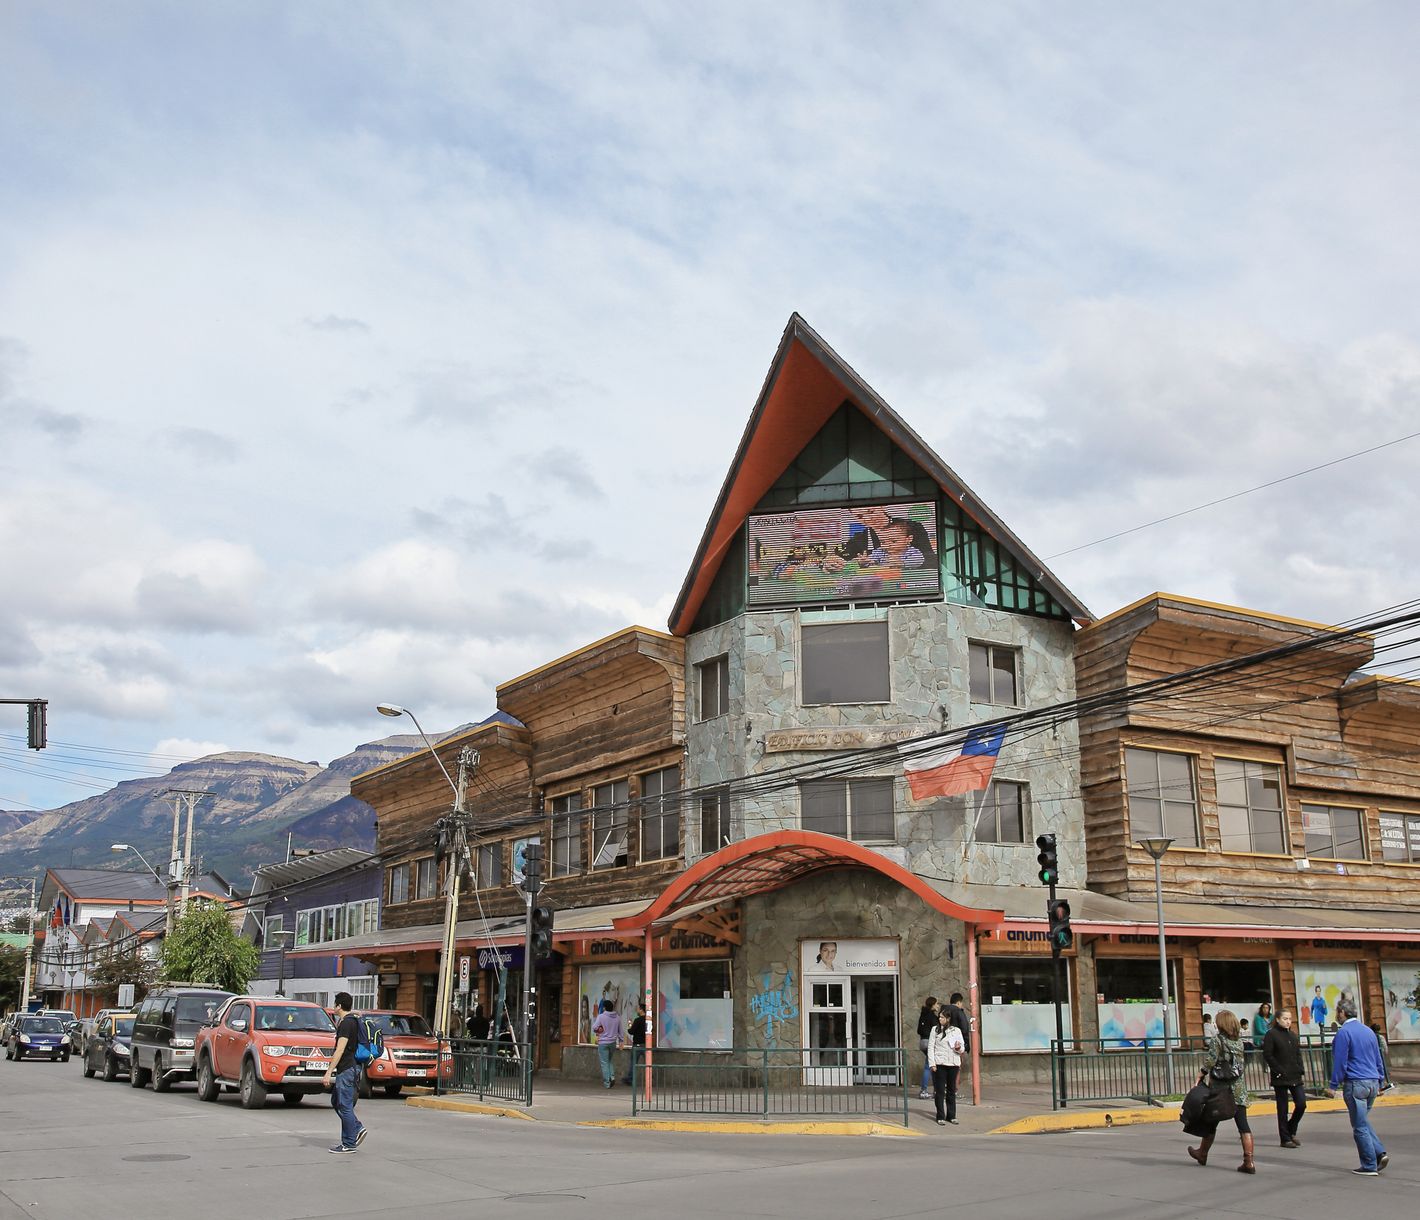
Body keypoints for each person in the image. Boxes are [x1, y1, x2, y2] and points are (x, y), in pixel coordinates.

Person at [1327, 997, 1388, 1175]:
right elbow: (1378, 1058)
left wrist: (1333, 1085)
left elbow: (1340, 1061)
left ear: (1342, 1013)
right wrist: (1381, 1081)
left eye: (1337, 1012)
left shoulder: (1344, 1033)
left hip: (1356, 1083)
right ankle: (1379, 1153)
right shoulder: (1368, 1031)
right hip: (1372, 1082)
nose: (1337, 1015)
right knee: (1362, 1120)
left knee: (1359, 1126)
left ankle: (1369, 1165)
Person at [1188, 1008, 1254, 1173]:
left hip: (1220, 1089)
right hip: (1238, 1089)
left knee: (1211, 1120)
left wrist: (1201, 1073)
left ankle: (1202, 1153)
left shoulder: (1217, 1040)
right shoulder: (1239, 1042)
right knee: (1243, 1125)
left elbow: (1211, 1060)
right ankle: (1249, 1161)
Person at [322, 991, 367, 1155]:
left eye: (335, 1004)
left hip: (347, 1068)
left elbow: (340, 1050)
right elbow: (356, 1013)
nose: (333, 1007)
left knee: (345, 1106)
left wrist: (328, 1072)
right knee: (336, 1101)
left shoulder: (346, 1024)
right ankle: (356, 1127)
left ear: (339, 1006)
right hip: (352, 1067)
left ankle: (349, 1143)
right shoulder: (352, 1019)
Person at [1262, 1008, 1306, 1148]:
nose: (1288, 1021)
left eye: (1289, 1019)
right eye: (1285, 1019)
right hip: (1280, 1077)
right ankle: (1285, 1138)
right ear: (1277, 1019)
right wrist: (1278, 1070)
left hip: (1295, 1075)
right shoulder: (1271, 1034)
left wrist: (1300, 1068)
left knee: (1301, 1104)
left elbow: (1298, 1054)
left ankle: (1291, 1129)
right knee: (1282, 1108)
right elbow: (1268, 1054)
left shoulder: (1292, 1035)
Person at [926, 1007, 965, 1126]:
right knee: (940, 1091)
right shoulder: (935, 1030)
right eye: (939, 1017)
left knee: (951, 1090)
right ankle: (940, 1116)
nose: (940, 1019)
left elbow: (962, 1048)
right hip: (940, 1063)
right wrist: (932, 1063)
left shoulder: (956, 1030)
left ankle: (951, 1115)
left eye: (942, 1017)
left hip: (953, 1063)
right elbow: (930, 1047)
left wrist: (958, 1048)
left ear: (948, 1018)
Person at [592, 998, 623, 1089]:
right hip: (613, 1043)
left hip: (603, 1043)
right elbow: (620, 1031)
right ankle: (612, 1077)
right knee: (609, 1060)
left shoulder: (601, 1016)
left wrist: (599, 1029)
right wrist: (621, 1041)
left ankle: (607, 1082)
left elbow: (594, 1027)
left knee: (604, 1062)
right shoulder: (617, 1017)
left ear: (604, 1008)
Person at [916, 996, 939, 1099]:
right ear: (933, 1005)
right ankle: (924, 1090)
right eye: (937, 1004)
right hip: (930, 1042)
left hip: (922, 1042)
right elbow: (937, 1031)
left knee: (931, 1065)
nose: (938, 1006)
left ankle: (935, 1090)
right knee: (928, 1066)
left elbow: (919, 1030)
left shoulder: (923, 1015)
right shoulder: (932, 1017)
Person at [622, 1001, 647, 1085]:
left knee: (633, 1063)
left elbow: (631, 1031)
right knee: (648, 1064)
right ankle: (650, 1079)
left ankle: (630, 1079)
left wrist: (629, 1025)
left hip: (637, 1045)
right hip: (646, 1045)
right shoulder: (648, 1020)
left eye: (638, 1009)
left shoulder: (637, 1020)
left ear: (641, 1010)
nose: (637, 1010)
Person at [1368, 1023, 1394, 1092]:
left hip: (1373, 1055)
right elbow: (1385, 1046)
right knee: (1381, 1068)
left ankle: (1378, 1084)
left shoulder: (1370, 1036)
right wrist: (1385, 1052)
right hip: (1380, 1055)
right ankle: (1381, 1084)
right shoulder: (1381, 1037)